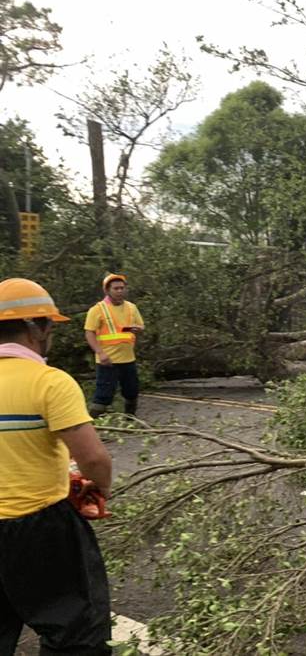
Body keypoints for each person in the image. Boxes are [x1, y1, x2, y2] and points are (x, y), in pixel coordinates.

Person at [0, 277, 113, 655]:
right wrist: (97, 491)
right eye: (48, 324)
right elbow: (94, 457)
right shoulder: (50, 383)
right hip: (39, 528)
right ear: (36, 327)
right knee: (75, 634)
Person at [84, 273, 144, 417]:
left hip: (128, 359)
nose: (120, 291)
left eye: (122, 288)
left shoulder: (132, 307)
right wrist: (100, 353)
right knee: (103, 396)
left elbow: (141, 326)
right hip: (107, 361)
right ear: (107, 290)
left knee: (132, 392)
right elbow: (89, 333)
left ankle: (130, 420)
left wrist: (138, 329)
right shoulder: (97, 310)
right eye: (116, 288)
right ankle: (93, 424)